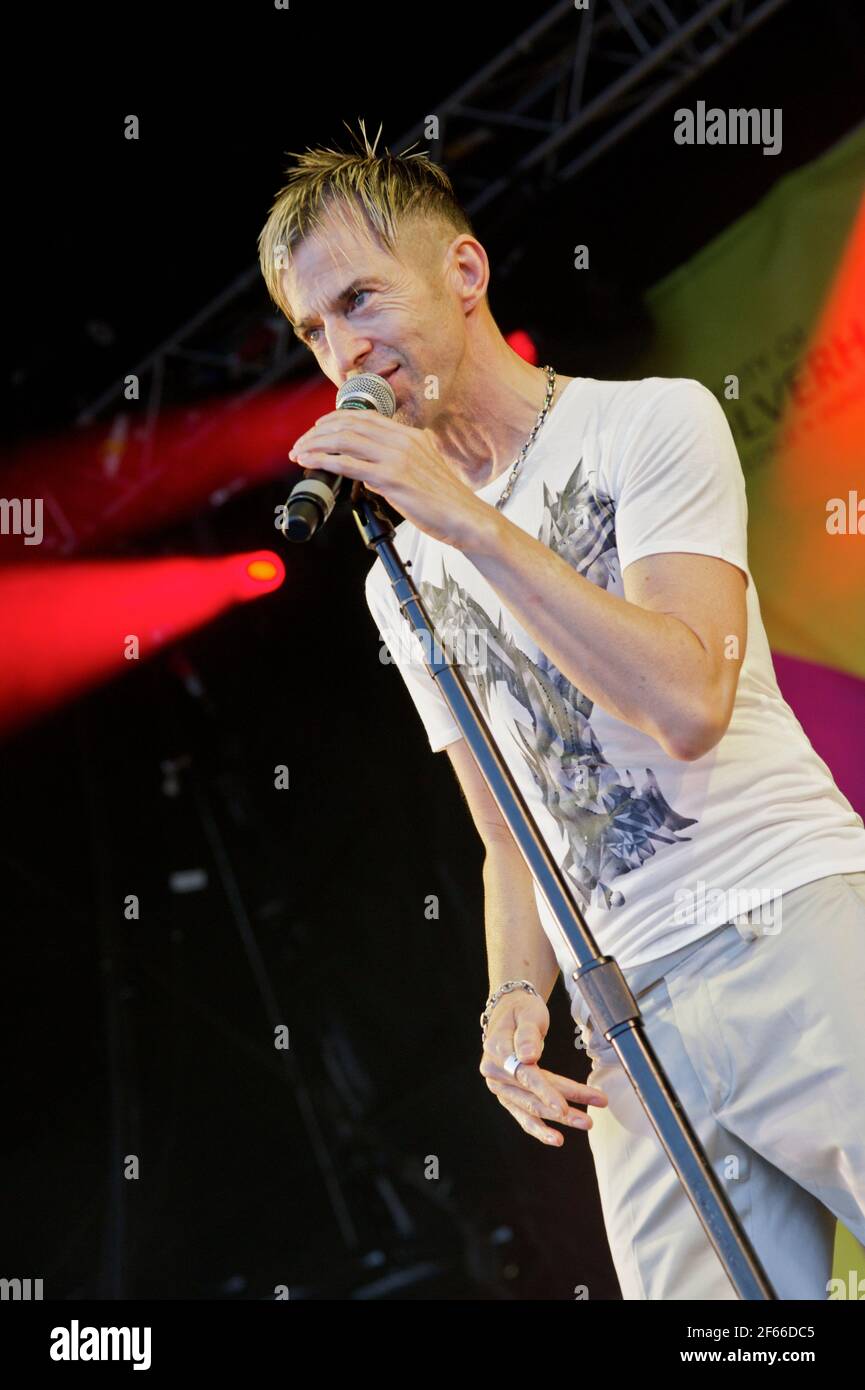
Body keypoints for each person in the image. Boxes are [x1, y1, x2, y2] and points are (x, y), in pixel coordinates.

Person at [257, 119, 865, 1300]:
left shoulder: (649, 423)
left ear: (465, 273)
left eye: (362, 299)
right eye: (314, 329)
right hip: (627, 1025)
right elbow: (508, 831)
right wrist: (514, 1000)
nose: (345, 352)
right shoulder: (401, 575)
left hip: (784, 928)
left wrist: (470, 525)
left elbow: (686, 699)